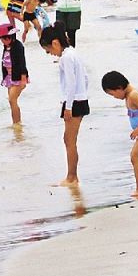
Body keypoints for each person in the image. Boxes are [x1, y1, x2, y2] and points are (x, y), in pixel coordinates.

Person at [40, 21, 90, 186]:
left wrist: (68, 107)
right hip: (80, 99)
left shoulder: (65, 58)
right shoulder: (73, 53)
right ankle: (71, 176)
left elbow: (71, 83)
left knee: (69, 141)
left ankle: (72, 177)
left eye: (49, 50)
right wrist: (82, 95)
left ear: (55, 43)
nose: (50, 54)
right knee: (69, 140)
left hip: (73, 102)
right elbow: (85, 78)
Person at [102, 71, 138, 199]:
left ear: (119, 88)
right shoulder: (131, 93)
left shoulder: (133, 95)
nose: (114, 97)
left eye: (112, 94)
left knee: (135, 157)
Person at [0, 24, 28, 125]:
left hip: (18, 77)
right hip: (9, 77)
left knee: (12, 100)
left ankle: (17, 123)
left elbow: (22, 63)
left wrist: (23, 79)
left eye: (3, 39)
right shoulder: (7, 46)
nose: (2, 41)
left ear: (9, 37)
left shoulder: (18, 46)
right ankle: (16, 123)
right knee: (12, 102)